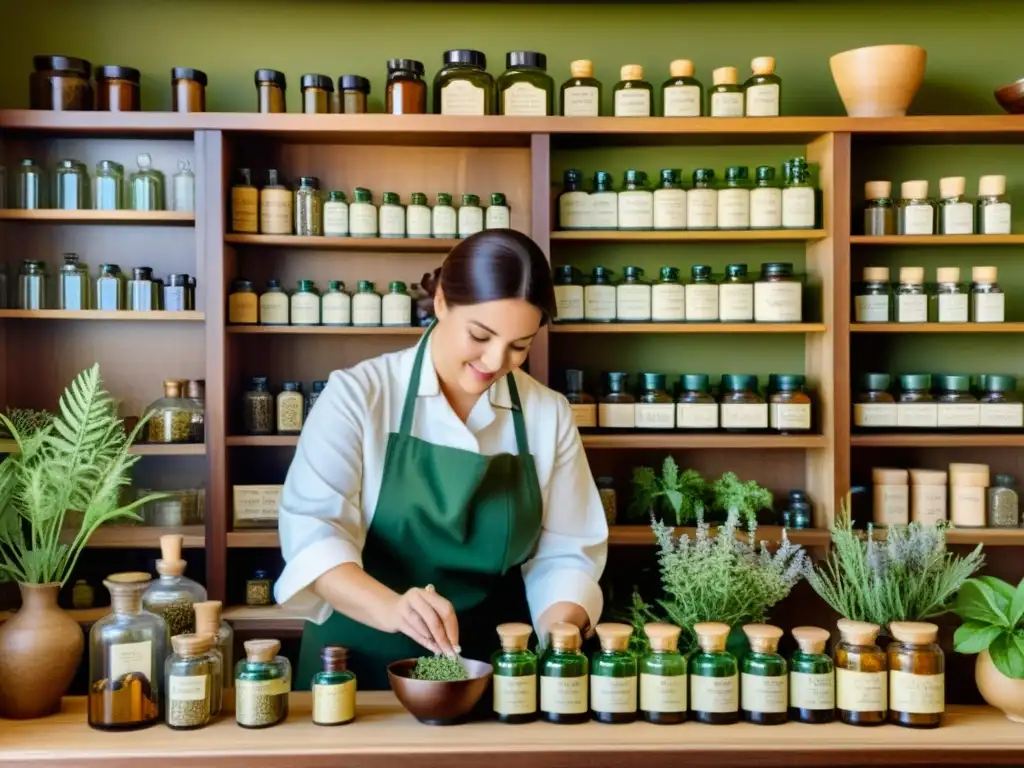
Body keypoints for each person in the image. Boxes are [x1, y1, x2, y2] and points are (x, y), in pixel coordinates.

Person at [275, 229, 609, 689]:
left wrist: (561, 632)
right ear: (441, 302)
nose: (495, 361)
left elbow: (567, 550)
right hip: (359, 660)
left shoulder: (546, 414)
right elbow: (314, 535)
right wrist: (394, 608)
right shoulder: (360, 395)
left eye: (519, 346)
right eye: (480, 335)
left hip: (489, 664)